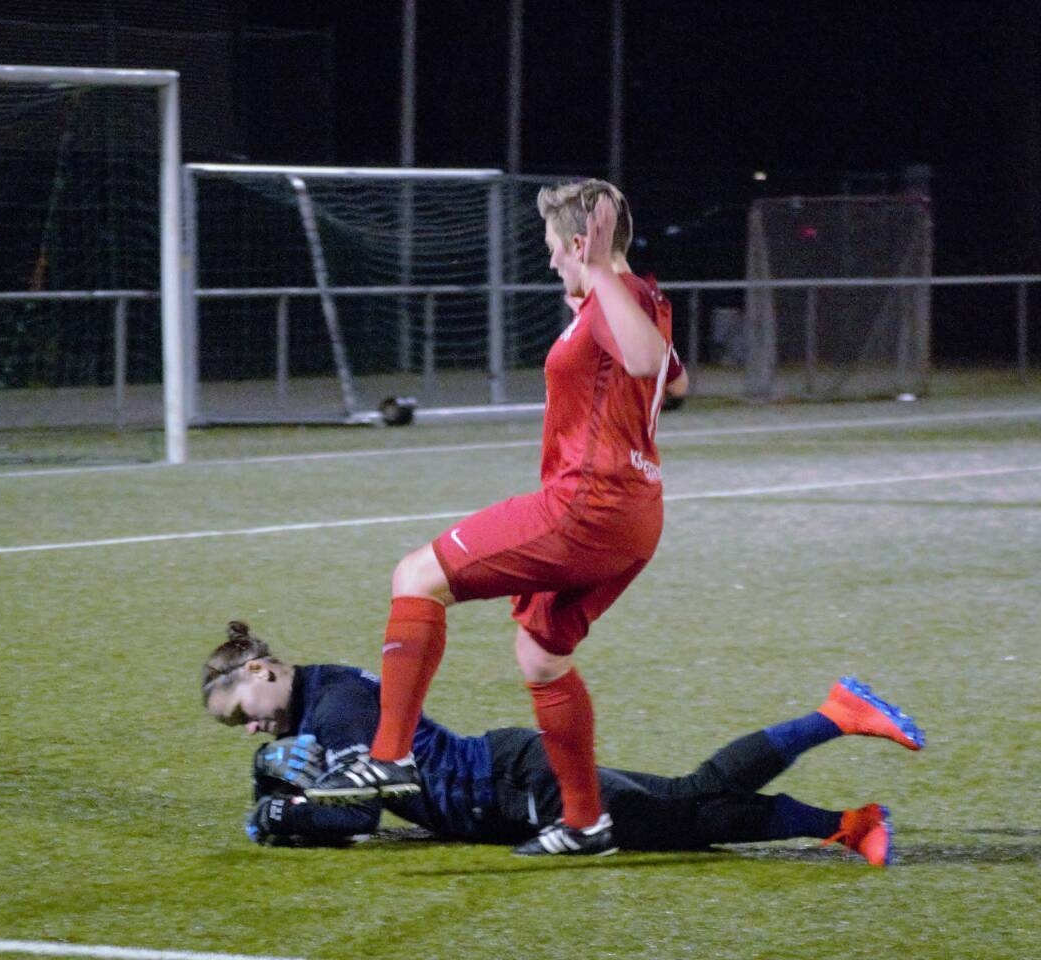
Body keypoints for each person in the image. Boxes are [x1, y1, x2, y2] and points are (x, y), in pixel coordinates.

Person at [308, 179, 689, 856]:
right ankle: (585, 822)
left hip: (586, 506)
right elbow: (676, 382)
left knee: (416, 576)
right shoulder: (640, 298)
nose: (550, 259)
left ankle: (389, 756)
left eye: (554, 247)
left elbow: (646, 361)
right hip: (635, 515)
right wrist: (594, 296)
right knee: (541, 658)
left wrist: (598, 277)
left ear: (582, 244)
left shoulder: (617, 293)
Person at [201, 621, 925, 863]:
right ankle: (848, 820)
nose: (253, 729)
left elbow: (357, 814)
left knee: (692, 809)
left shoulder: (336, 707)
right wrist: (272, 781)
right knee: (688, 805)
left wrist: (277, 812)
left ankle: (837, 723)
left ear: (259, 671)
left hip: (518, 786)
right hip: (514, 775)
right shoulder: (326, 694)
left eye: (243, 716)